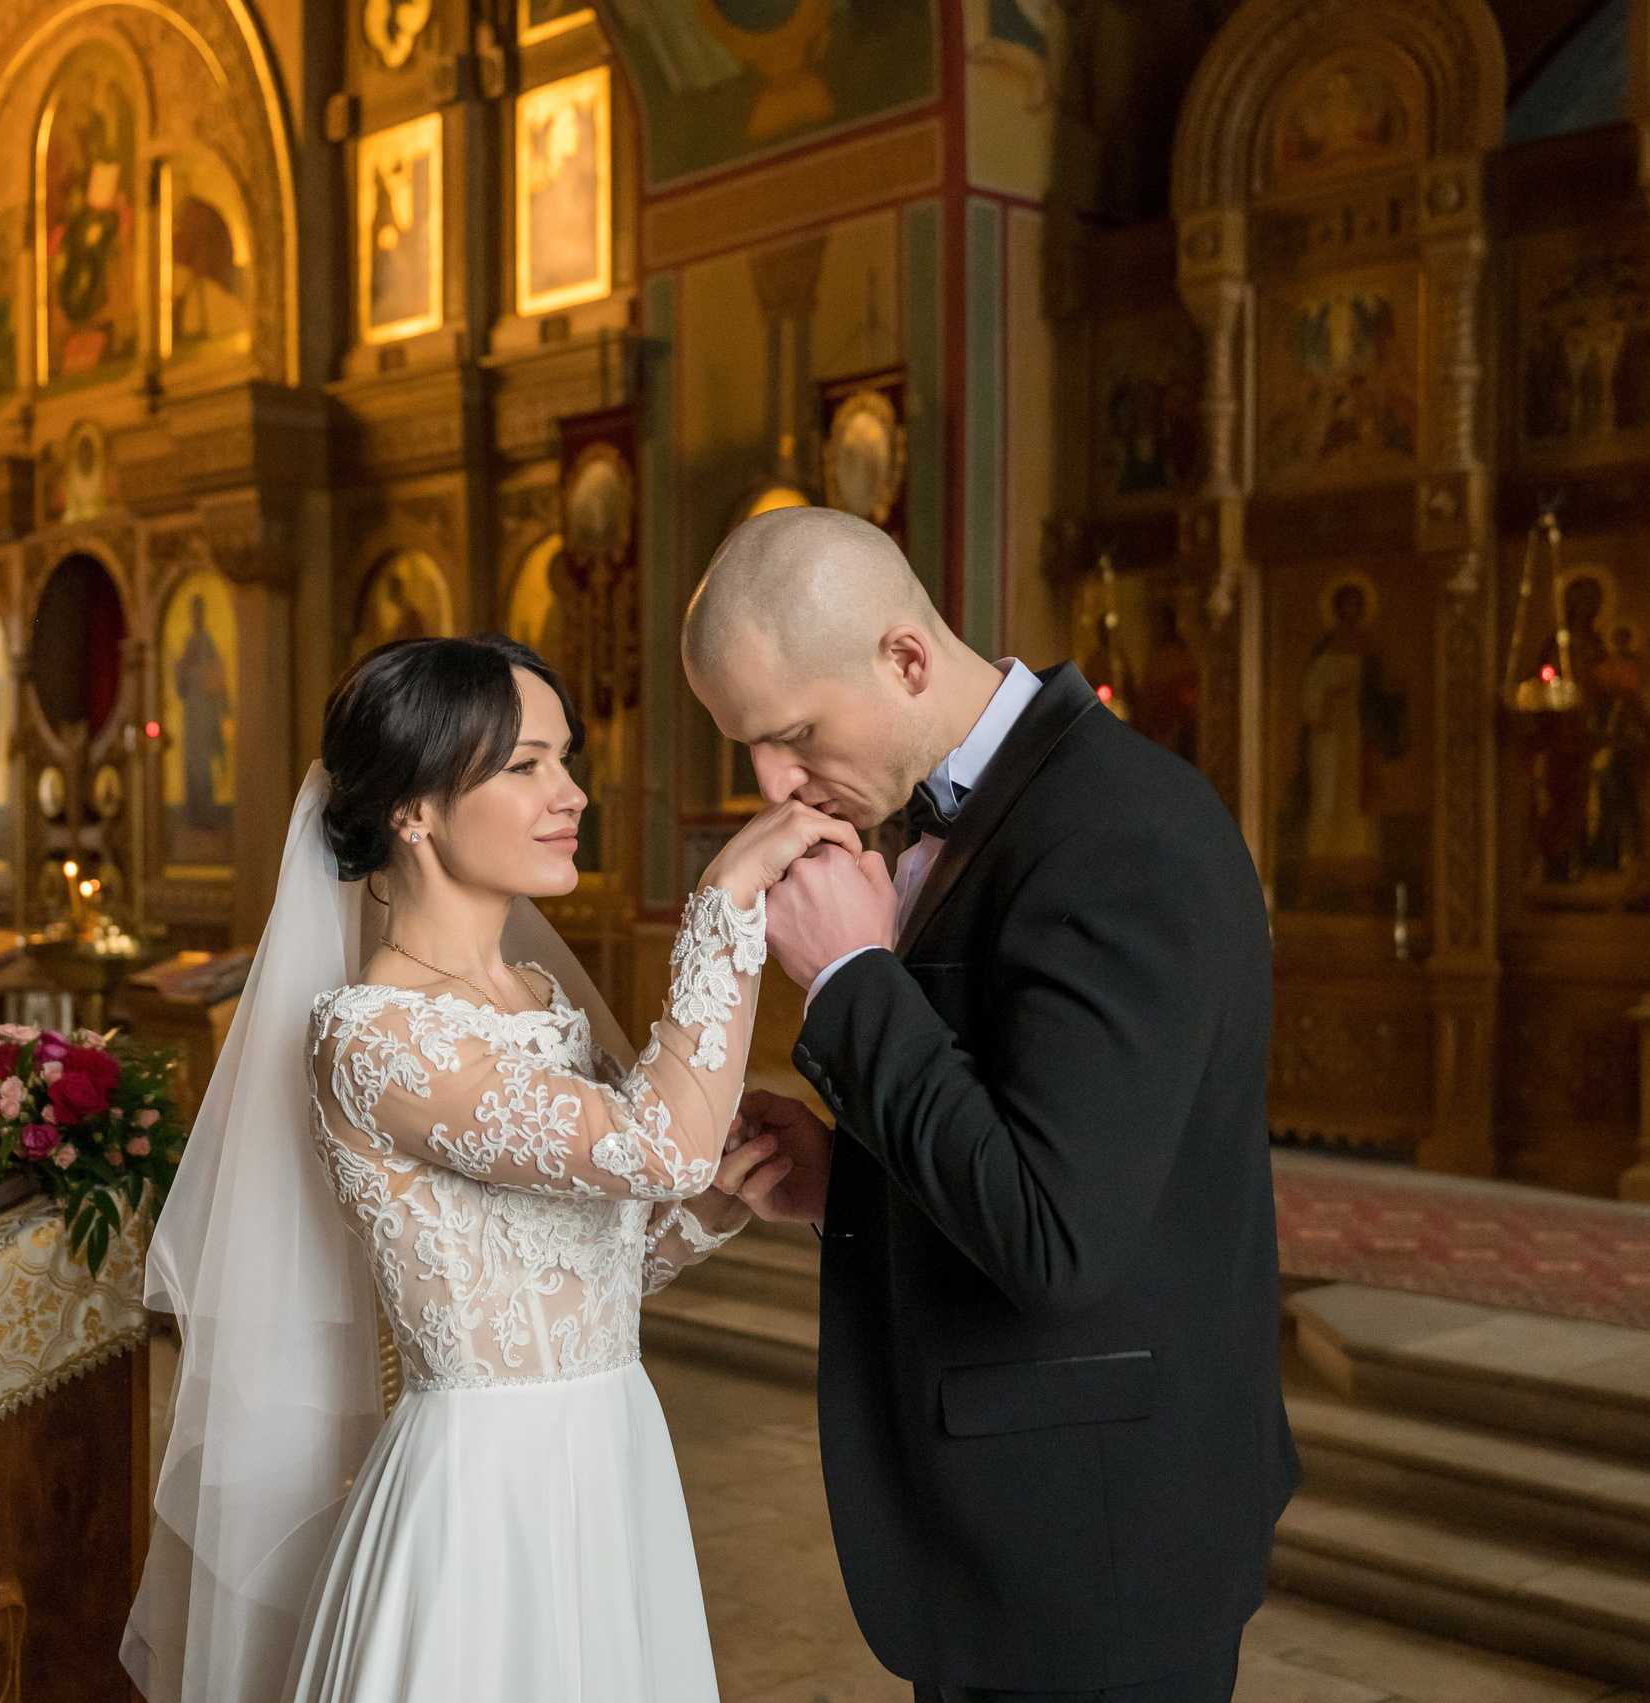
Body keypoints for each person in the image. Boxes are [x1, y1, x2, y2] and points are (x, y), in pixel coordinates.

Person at [121, 634, 854, 1702]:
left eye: (565, 759)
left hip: (611, 1457)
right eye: (526, 766)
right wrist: (727, 898)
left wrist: (711, 1202)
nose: (572, 794)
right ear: (412, 809)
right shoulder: (375, 1036)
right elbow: (656, 1140)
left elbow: (589, 1267)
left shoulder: (538, 1000)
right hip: (482, 1493)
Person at [683, 507, 1296, 1703]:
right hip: (1010, 1536)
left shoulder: (1118, 830)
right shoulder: (981, 810)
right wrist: (850, 1169)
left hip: (1097, 1544)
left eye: (794, 732)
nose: (770, 782)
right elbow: (1024, 1127)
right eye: (746, 746)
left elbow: (1057, 1236)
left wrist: (854, 985)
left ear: (906, 657)